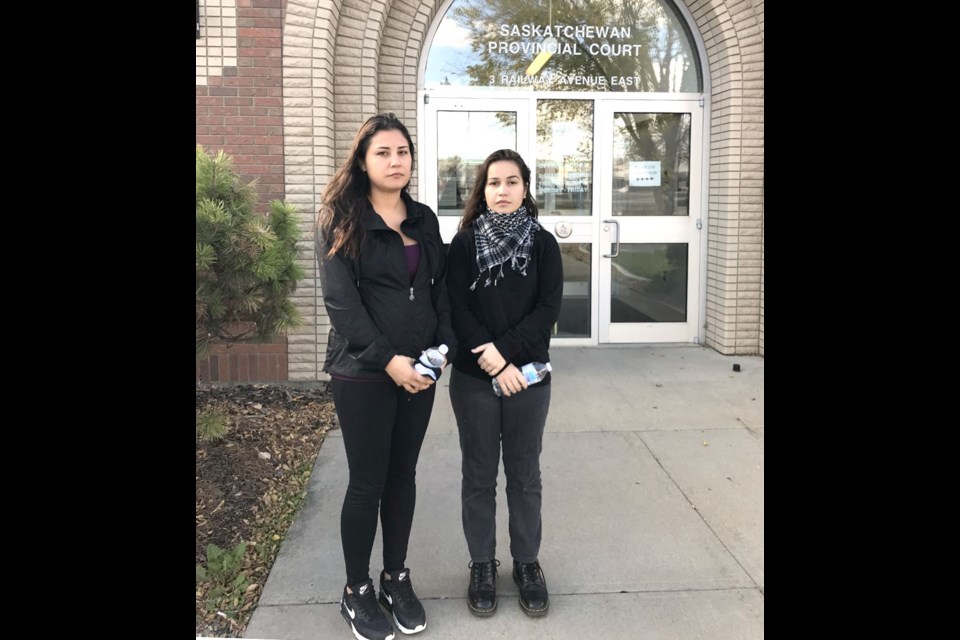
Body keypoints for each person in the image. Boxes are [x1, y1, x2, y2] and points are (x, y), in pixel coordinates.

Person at [315, 113, 456, 640]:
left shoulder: (422, 219)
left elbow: (439, 290)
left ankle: (395, 576)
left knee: (404, 477)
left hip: (421, 371)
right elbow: (341, 304)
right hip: (364, 373)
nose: (395, 161)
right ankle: (356, 592)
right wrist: (389, 361)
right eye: (384, 153)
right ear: (363, 160)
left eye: (403, 152)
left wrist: (440, 350)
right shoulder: (340, 219)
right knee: (367, 482)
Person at [445, 149, 563, 618]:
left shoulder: (544, 245)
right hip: (475, 378)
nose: (503, 191)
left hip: (529, 379)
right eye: (494, 183)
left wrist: (507, 355)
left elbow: (547, 310)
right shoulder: (464, 244)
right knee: (478, 475)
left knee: (524, 474)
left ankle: (527, 563)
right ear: (482, 189)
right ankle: (481, 565)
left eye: (512, 182)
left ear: (525, 188)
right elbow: (457, 309)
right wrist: (493, 362)